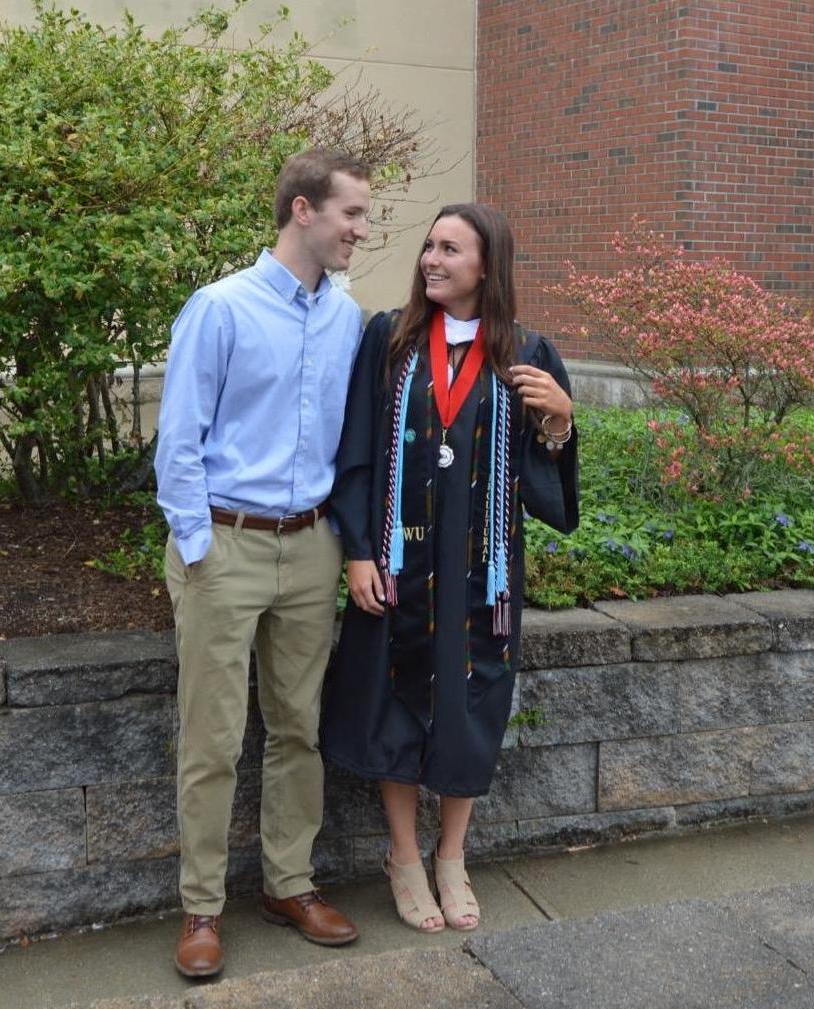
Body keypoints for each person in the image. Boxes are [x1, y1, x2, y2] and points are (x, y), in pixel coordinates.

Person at [322, 203, 578, 933]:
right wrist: (358, 553)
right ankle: (403, 856)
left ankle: (451, 857)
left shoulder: (526, 354)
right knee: (393, 703)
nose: (430, 259)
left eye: (449, 249)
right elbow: (357, 450)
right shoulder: (392, 339)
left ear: (486, 266)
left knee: (469, 710)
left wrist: (558, 423)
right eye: (428, 246)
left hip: (480, 576)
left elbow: (542, 485)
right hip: (397, 567)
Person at [155, 148, 371, 977]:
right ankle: (201, 908)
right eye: (351, 213)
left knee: (298, 730)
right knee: (211, 738)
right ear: (303, 211)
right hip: (225, 543)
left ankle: (289, 883)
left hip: (312, 548)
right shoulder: (221, 307)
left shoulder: (345, 317)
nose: (362, 229)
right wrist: (199, 546)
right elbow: (179, 438)